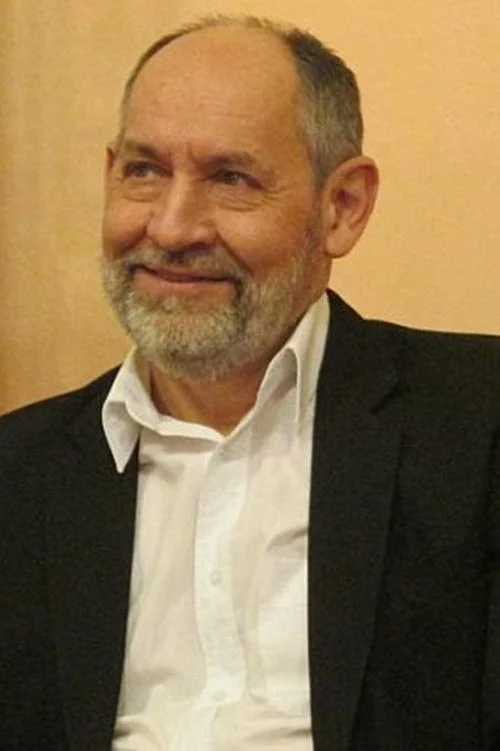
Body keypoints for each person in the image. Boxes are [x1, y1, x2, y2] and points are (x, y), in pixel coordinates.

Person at [1, 15, 500, 751]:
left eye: (230, 179)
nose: (171, 229)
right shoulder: (16, 474)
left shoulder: (477, 426)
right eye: (144, 171)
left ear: (342, 207)